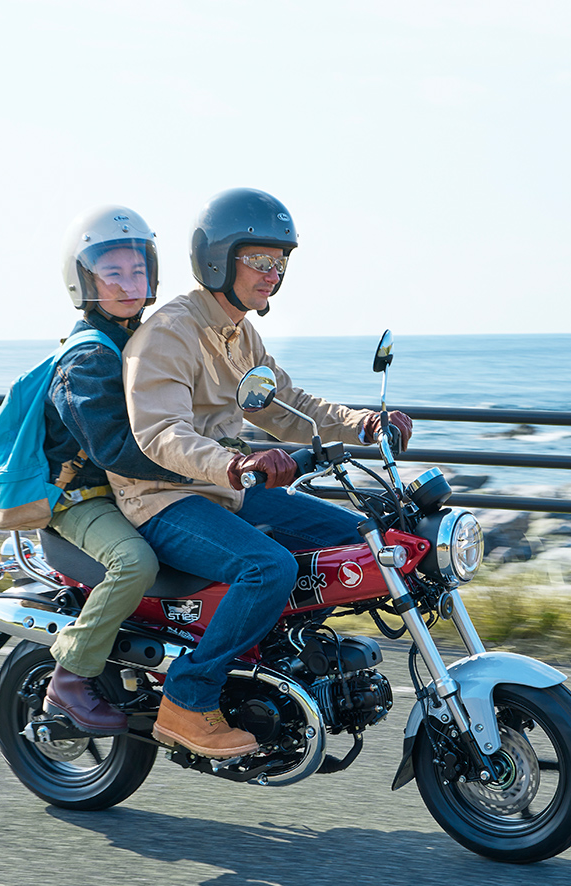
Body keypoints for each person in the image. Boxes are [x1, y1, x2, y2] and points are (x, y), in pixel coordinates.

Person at [110, 187, 412, 758]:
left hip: (228, 488)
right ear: (219, 259)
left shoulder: (239, 332)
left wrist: (362, 424)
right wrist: (237, 463)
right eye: (261, 260)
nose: (274, 273)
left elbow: (285, 405)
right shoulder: (171, 333)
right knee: (267, 567)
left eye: (282, 262)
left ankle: (279, 660)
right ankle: (188, 698)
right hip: (163, 497)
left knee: (354, 540)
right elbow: (159, 434)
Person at [37, 205, 193, 736]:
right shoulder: (87, 359)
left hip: (137, 492)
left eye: (137, 270)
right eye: (113, 273)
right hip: (83, 500)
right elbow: (114, 450)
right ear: (85, 280)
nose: (129, 283)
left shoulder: (144, 341)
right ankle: (70, 676)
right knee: (134, 563)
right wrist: (208, 468)